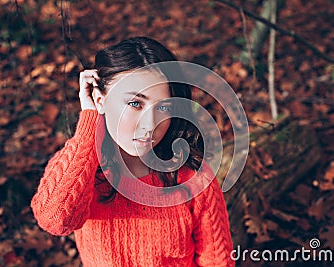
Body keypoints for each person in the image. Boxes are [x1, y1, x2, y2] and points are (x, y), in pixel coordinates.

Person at [31, 36, 234, 267]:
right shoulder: (83, 167)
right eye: (135, 104)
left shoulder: (192, 178)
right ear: (100, 100)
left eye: (164, 107)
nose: (150, 124)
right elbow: (55, 221)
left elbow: (217, 261)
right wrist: (89, 120)